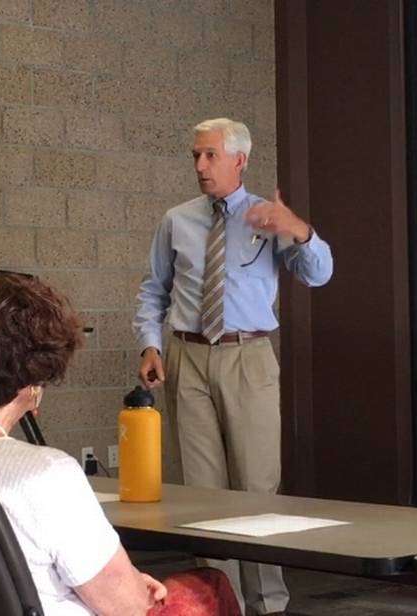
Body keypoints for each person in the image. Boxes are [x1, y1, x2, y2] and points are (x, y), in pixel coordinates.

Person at [0, 274, 240, 616]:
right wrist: (133, 585)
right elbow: (128, 607)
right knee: (209, 587)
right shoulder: (46, 472)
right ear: (35, 377)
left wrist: (128, 582)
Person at [133, 118, 334, 615]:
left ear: (239, 159)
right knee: (203, 492)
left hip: (248, 357)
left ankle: (268, 603)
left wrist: (299, 230)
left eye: (210, 156)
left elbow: (320, 273)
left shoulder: (268, 217)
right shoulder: (177, 219)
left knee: (257, 485)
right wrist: (150, 346)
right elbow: (153, 290)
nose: (200, 165)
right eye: (195, 156)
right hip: (188, 356)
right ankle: (221, 602)